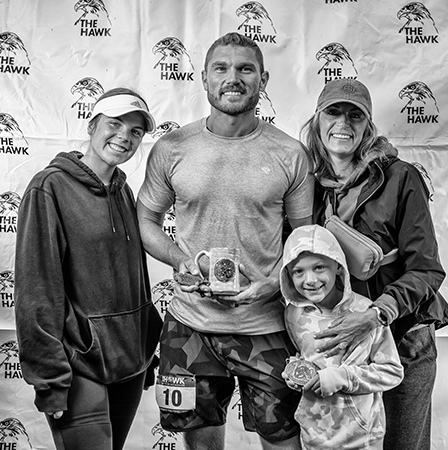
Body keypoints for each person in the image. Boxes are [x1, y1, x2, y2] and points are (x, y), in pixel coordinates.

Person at [137, 32, 313, 450]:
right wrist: (180, 260)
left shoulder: (289, 153)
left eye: (245, 68)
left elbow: (305, 240)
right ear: (203, 78)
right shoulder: (172, 147)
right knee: (198, 443)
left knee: (283, 439)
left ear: (263, 80)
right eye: (221, 67)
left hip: (266, 326)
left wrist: (273, 285)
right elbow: (146, 218)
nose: (232, 78)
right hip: (190, 326)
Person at [300, 78, 448, 450]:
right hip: (340, 351)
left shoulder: (400, 178)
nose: (343, 122)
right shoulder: (306, 185)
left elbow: (427, 269)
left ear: (367, 126)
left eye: (355, 115)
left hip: (401, 338)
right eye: (333, 112)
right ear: (318, 120)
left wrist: (375, 314)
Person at [14, 88, 163, 450]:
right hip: (79, 364)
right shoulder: (49, 187)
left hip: (128, 362)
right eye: (115, 124)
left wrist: (143, 346)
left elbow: (134, 278)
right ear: (92, 125)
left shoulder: (124, 191)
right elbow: (37, 287)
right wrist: (49, 376)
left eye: (136, 131)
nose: (124, 137)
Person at [279, 224, 404, 450]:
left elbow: (392, 372)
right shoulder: (293, 314)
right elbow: (304, 356)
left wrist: (342, 377)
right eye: (298, 271)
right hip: (313, 436)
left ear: (337, 266)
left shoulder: (365, 313)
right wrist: (296, 371)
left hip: (363, 438)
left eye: (319, 267)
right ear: (288, 274)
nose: (310, 280)